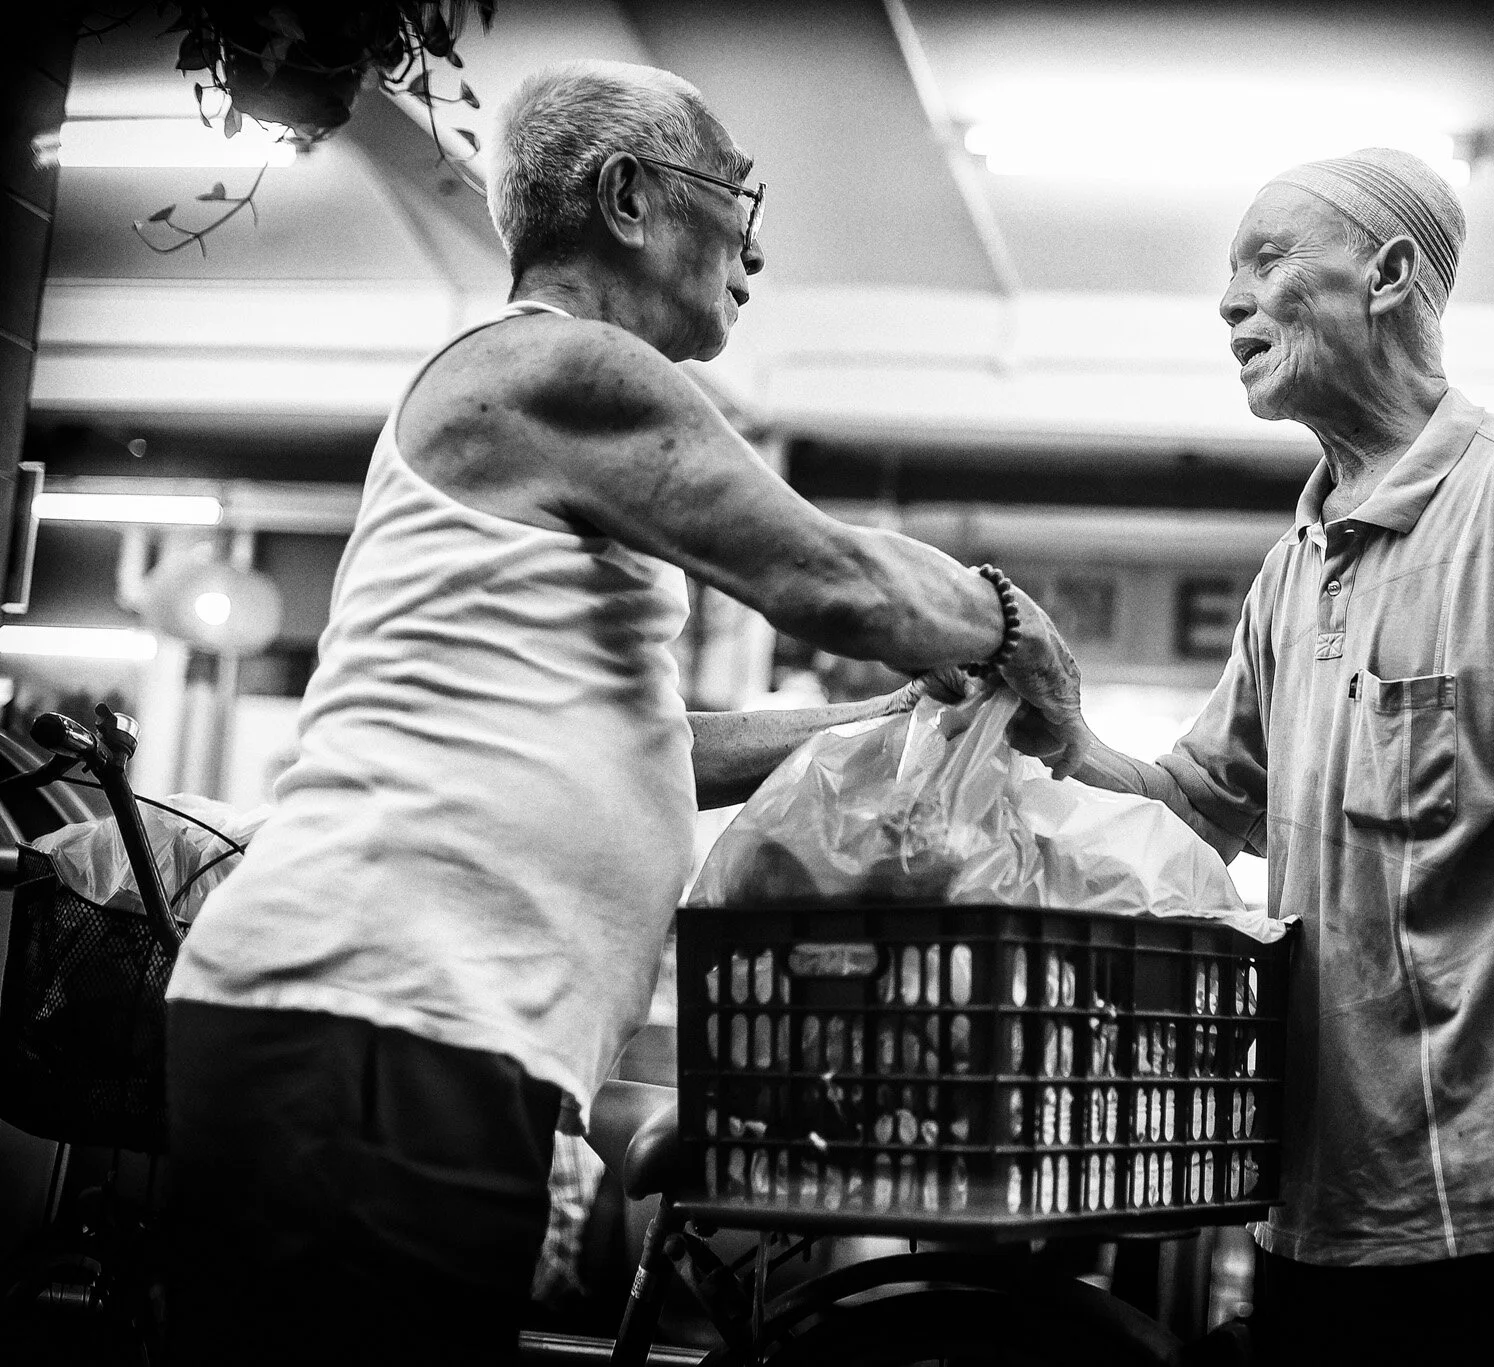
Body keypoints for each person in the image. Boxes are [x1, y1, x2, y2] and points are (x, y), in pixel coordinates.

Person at [161, 60, 1086, 1365]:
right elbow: (831, 576)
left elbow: (644, 743)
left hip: (409, 1024)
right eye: (738, 197)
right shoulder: (564, 366)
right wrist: (1005, 622)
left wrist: (881, 724)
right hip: (370, 1016)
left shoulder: (551, 411)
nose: (756, 247)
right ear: (632, 197)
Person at [1061, 147, 1494, 1361]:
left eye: (1265, 259)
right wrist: (1057, 725)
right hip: (1316, 1201)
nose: (1230, 300)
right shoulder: (1291, 566)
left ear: (1389, 273)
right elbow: (1192, 808)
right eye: (1227, 275)